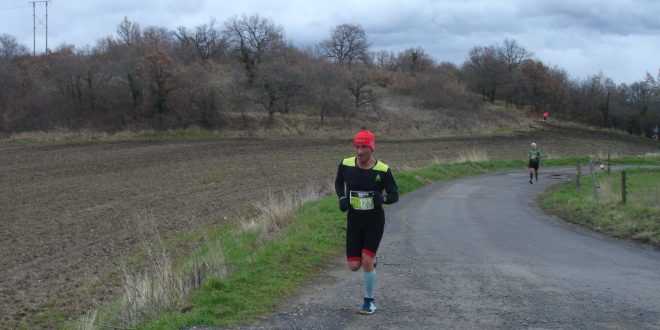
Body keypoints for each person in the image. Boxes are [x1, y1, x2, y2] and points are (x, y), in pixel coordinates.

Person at [335, 129, 399, 315]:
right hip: (354, 220)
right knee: (354, 266)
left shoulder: (383, 170)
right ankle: (371, 260)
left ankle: (369, 302)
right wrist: (341, 198)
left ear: (372, 148)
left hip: (374, 221)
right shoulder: (346, 165)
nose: (360, 151)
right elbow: (339, 183)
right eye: (357, 147)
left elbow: (394, 194)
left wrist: (384, 199)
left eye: (364, 147)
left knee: (367, 260)